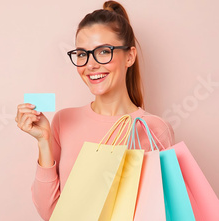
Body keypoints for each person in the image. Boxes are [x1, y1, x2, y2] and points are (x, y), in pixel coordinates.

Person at [14, 1, 175, 220]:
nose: (90, 65)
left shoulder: (154, 129)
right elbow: (50, 213)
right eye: (82, 54)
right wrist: (43, 141)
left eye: (103, 51)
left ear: (129, 56)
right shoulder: (64, 121)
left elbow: (164, 211)